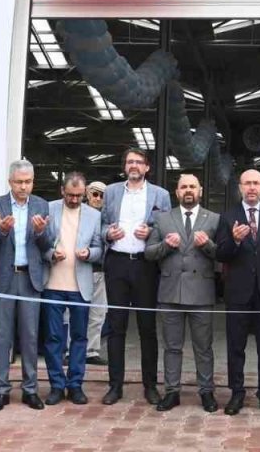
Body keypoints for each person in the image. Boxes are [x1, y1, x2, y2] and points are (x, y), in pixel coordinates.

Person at [99, 148, 171, 406]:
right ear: (124, 166)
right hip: (117, 263)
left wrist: (150, 232)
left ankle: (150, 386)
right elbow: (101, 224)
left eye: (139, 162)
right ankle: (115, 386)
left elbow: (167, 227)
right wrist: (108, 234)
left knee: (147, 328)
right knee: (116, 327)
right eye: (130, 161)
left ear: (147, 167)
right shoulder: (111, 192)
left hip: (145, 265)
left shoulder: (160, 195)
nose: (134, 166)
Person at [215, 169, 260, 417]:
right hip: (238, 292)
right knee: (236, 346)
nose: (252, 187)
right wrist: (235, 241)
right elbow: (220, 254)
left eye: (256, 183)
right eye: (247, 183)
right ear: (240, 187)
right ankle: (236, 393)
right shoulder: (228, 217)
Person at [0, 160, 50, 413]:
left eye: (28, 182)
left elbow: (48, 244)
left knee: (30, 336)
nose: (23, 187)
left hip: (30, 279)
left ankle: (30, 389)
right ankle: (1, 389)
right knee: (2, 336)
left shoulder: (41, 205)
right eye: (19, 182)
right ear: (10, 182)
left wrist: (41, 233)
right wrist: (0, 231)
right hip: (3, 279)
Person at [146, 173, 220, 413]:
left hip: (201, 293)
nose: (188, 190)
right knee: (172, 346)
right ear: (177, 192)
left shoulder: (214, 219)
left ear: (200, 191)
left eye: (192, 187)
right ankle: (172, 391)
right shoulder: (162, 218)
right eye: (184, 187)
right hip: (171, 292)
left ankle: (206, 391)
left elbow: (223, 256)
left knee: (203, 347)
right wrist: (166, 245)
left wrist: (207, 245)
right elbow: (149, 252)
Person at [41, 173, 104, 405]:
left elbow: (99, 248)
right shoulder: (48, 209)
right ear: (62, 191)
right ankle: (56, 386)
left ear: (85, 193)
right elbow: (39, 242)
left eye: (79, 196)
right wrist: (50, 254)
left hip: (81, 285)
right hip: (52, 284)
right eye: (70, 195)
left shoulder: (94, 215)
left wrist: (89, 254)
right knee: (53, 338)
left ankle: (75, 384)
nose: (75, 199)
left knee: (79, 337)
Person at [84, 180, 108, 366]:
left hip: (101, 271)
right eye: (95, 194)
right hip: (79, 269)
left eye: (102, 195)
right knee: (73, 312)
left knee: (98, 313)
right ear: (87, 194)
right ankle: (69, 350)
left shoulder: (108, 218)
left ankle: (91, 351)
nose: (98, 198)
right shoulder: (79, 213)